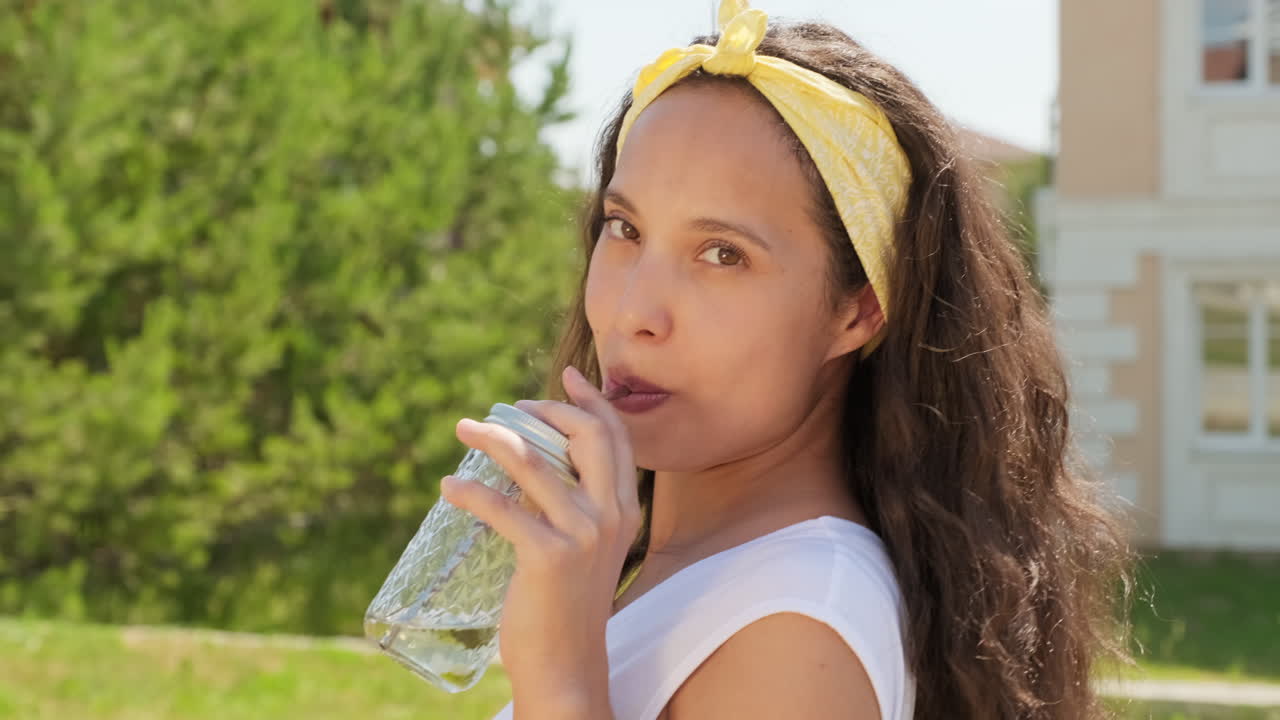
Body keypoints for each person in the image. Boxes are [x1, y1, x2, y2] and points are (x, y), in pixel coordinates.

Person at [440, 1, 1132, 718]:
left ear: (857, 310)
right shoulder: (681, 571)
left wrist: (561, 681)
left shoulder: (799, 621)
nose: (633, 312)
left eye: (722, 254)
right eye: (625, 228)